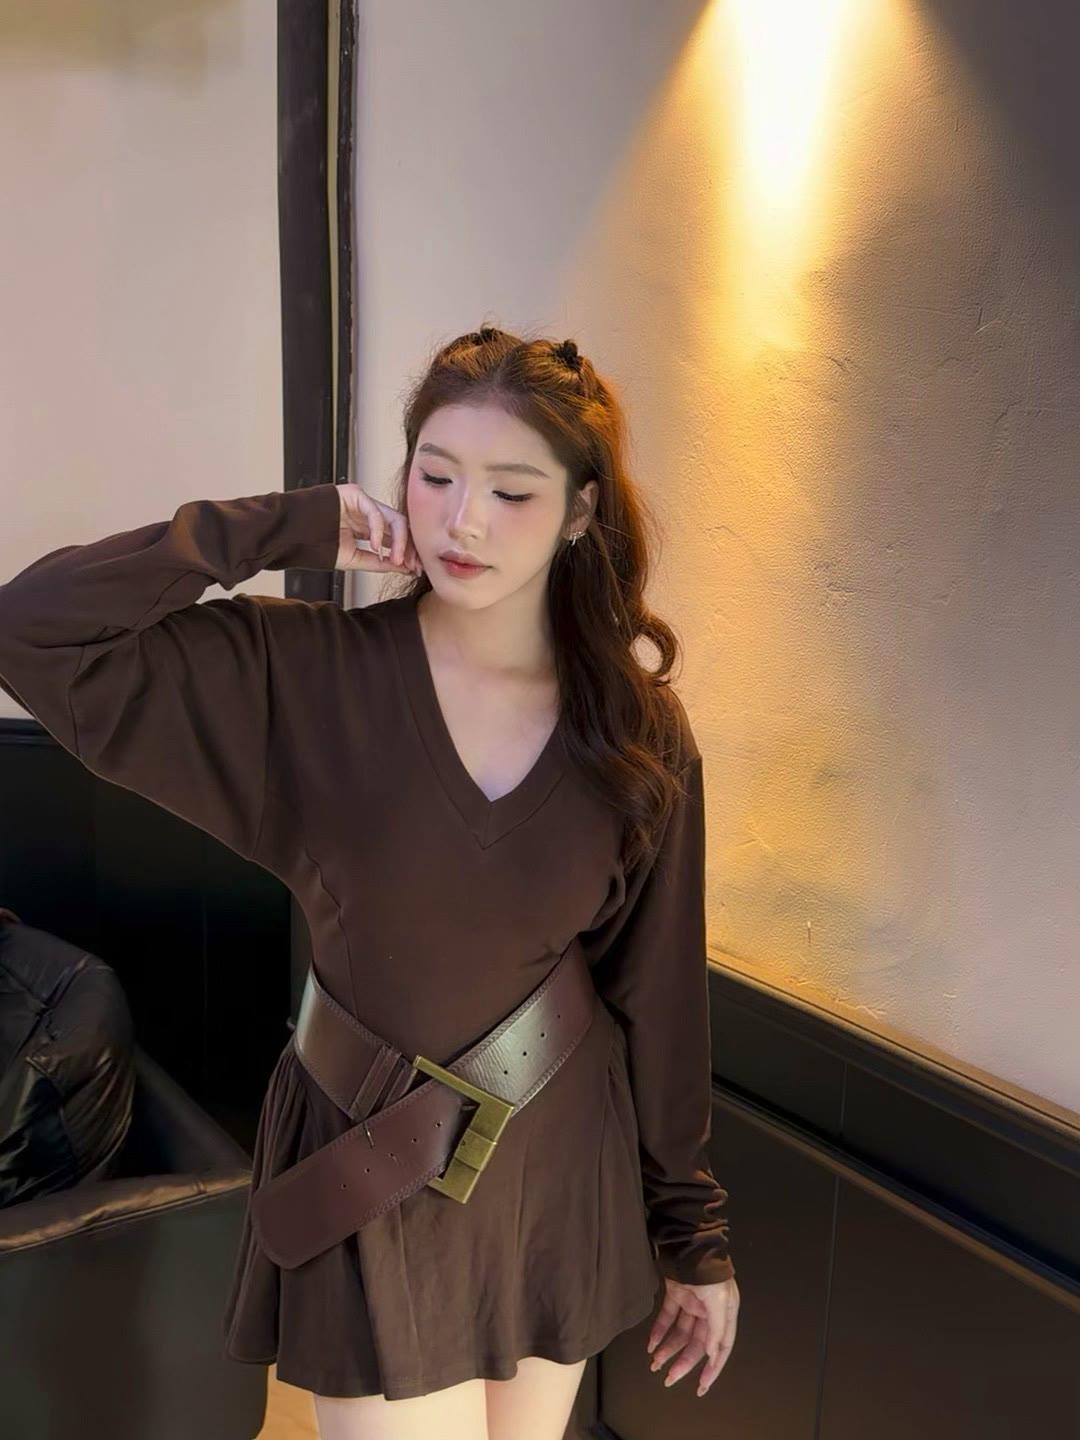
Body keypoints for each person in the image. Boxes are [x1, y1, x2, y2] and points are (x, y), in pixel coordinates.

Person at [0, 325, 739, 1440]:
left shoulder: (636, 732)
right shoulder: (309, 675)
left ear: (582, 511)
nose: (463, 520)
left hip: (557, 1162)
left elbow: (659, 996)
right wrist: (283, 526)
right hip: (374, 1161)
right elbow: (31, 630)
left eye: (513, 491)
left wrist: (695, 1239)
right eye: (435, 477)